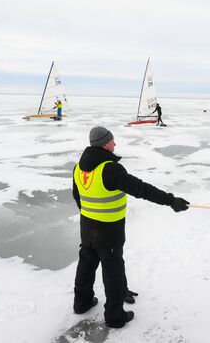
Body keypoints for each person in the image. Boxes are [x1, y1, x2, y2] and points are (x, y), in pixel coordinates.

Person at [72, 126, 189, 328]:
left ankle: (82, 303)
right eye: (112, 140)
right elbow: (141, 189)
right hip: (109, 231)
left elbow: (78, 196)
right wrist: (171, 201)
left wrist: (90, 216)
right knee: (113, 272)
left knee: (86, 265)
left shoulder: (78, 168)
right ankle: (115, 317)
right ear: (104, 143)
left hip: (87, 228)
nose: (115, 143)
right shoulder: (109, 168)